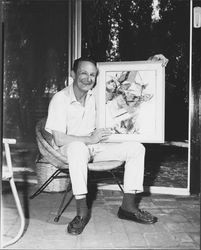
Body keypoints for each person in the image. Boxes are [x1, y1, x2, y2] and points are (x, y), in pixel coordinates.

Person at [45, 54, 168, 235]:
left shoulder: (96, 94)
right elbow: (58, 139)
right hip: (72, 148)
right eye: (83, 73)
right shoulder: (60, 99)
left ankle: (128, 206)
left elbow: (126, 79)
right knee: (78, 149)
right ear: (73, 74)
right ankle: (82, 212)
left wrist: (151, 65)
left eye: (93, 75)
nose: (88, 79)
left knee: (136, 148)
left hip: (96, 146)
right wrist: (89, 139)